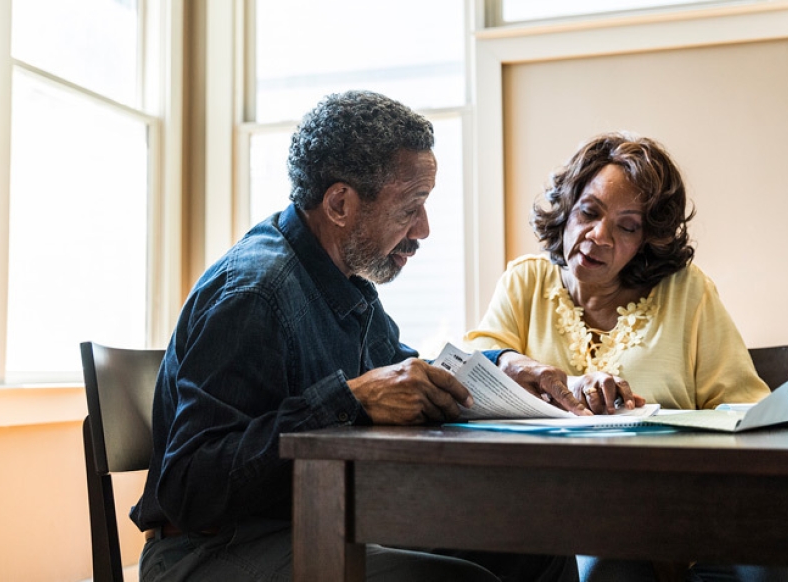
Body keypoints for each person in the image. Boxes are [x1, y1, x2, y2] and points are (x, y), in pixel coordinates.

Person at [130, 90, 580, 582]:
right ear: (340, 203)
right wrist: (350, 402)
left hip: (320, 521)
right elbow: (191, 488)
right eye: (411, 207)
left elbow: (409, 377)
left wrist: (505, 367)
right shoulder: (254, 293)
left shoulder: (346, 282)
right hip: (207, 552)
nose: (424, 229)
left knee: (537, 548)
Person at [464, 132, 788, 582]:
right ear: (567, 208)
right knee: (604, 569)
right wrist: (520, 365)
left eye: (627, 226)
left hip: (684, 510)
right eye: (589, 212)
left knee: (776, 570)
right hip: (562, 513)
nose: (598, 236)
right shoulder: (525, 282)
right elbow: (472, 363)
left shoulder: (687, 292)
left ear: (647, 239)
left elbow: (745, 409)